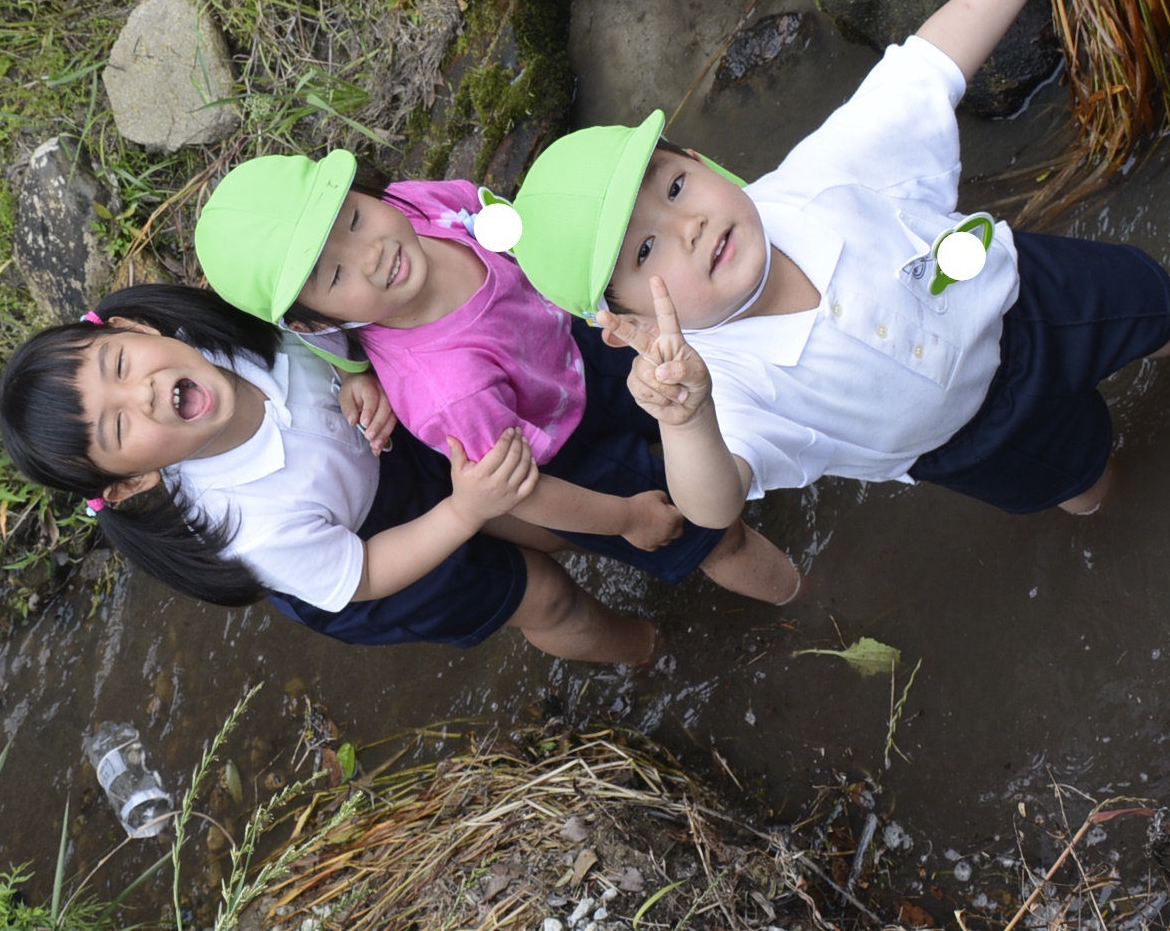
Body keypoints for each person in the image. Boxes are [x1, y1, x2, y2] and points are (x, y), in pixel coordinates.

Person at [492, 0, 1170, 521]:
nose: (687, 227)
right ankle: (1133, 505)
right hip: (970, 443)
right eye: (645, 252)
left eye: (676, 186)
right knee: (1084, 487)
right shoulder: (727, 385)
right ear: (622, 324)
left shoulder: (824, 176)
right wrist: (683, 421)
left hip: (1031, 297)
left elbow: (931, 65)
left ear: (699, 159)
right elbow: (712, 505)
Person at [0, 282, 733, 663]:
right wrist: (463, 515)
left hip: (390, 457)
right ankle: (645, 648)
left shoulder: (222, 331)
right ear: (128, 484)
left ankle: (630, 536)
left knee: (538, 514)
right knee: (541, 595)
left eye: (121, 366)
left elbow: (326, 329)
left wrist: (358, 373)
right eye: (121, 427)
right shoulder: (244, 527)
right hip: (363, 562)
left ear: (133, 330)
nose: (145, 393)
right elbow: (366, 572)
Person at [191, 153, 801, 602]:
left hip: (581, 341)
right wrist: (625, 518)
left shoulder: (415, 206)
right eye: (332, 276)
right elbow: (523, 489)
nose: (370, 255)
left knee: (713, 388)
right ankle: (803, 600)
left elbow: (505, 228)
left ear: (364, 190)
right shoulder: (445, 391)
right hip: (571, 453)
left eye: (351, 220)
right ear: (318, 320)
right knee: (712, 533)